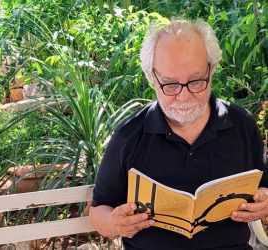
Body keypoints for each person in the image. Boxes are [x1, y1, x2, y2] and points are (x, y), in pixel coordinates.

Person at [89, 17, 268, 250]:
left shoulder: (241, 126)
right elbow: (98, 210)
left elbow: (263, 186)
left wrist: (264, 202)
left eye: (195, 81)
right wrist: (114, 223)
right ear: (152, 77)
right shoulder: (129, 137)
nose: (183, 96)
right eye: (170, 85)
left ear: (211, 70)